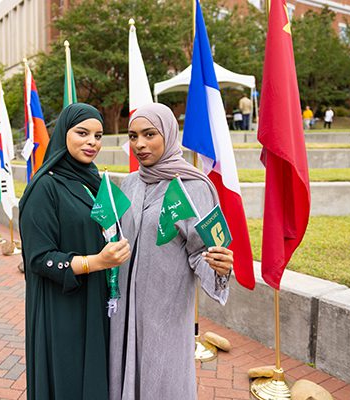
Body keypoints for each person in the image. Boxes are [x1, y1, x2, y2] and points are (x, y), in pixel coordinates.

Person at [109, 103, 233, 400]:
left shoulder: (192, 185)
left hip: (165, 308)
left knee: (162, 377)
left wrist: (220, 268)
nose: (140, 144)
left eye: (149, 134)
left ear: (168, 133)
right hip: (125, 306)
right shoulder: (129, 183)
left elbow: (201, 251)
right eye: (133, 136)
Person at [19, 103, 131, 400]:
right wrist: (96, 261)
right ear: (63, 135)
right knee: (68, 380)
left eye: (98, 135)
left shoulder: (94, 181)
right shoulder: (44, 187)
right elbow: (39, 259)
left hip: (95, 299)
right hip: (62, 307)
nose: (92, 142)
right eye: (82, 133)